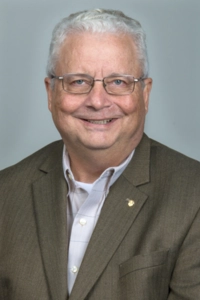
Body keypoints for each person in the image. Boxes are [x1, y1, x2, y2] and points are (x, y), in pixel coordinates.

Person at [0, 8, 200, 300]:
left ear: (144, 94)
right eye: (78, 81)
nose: (97, 101)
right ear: (50, 92)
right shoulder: (5, 193)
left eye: (119, 81)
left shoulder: (194, 196)